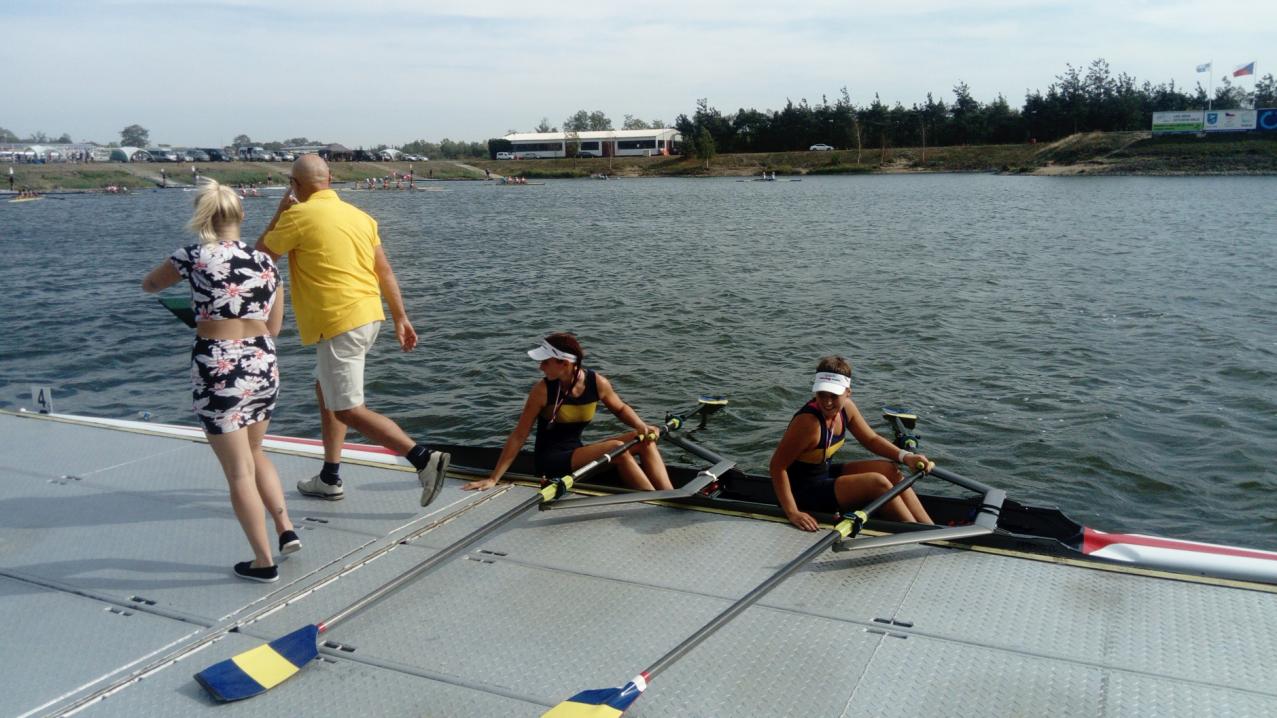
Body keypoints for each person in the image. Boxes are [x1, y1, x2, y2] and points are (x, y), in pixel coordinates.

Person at [256, 154, 449, 506]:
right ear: (329, 178)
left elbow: (258, 261)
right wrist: (400, 317)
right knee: (326, 391)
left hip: (338, 321)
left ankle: (423, 458)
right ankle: (329, 477)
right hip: (367, 316)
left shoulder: (298, 216)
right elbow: (384, 270)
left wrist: (281, 211)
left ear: (294, 185)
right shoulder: (360, 217)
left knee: (347, 409)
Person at [141, 179, 299, 583]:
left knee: (239, 471)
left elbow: (150, 284)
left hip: (219, 366)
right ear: (241, 215)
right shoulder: (266, 263)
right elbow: (274, 327)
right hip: (262, 362)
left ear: (203, 218)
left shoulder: (192, 256)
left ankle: (263, 562)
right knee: (256, 451)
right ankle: (286, 529)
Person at [463, 333, 671, 493]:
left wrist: (641, 425)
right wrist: (494, 479)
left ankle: (670, 494)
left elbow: (620, 408)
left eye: (545, 362)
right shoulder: (542, 390)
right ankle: (654, 500)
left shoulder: (597, 382)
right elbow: (519, 435)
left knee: (644, 438)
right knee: (617, 448)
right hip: (550, 462)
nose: (540, 367)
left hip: (576, 452)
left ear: (565, 364)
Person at [768, 357, 935, 532]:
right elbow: (777, 467)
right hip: (801, 492)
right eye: (821, 394)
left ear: (848, 392)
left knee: (889, 470)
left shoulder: (847, 408)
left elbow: (871, 439)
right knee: (877, 483)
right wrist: (793, 512)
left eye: (834, 396)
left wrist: (906, 457)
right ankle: (917, 534)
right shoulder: (808, 423)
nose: (827, 402)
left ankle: (930, 528)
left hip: (823, 475)